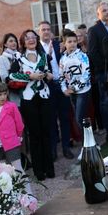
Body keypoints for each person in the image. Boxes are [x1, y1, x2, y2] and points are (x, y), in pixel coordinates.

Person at [9, 30, 55, 181]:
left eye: (33, 37)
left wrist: (48, 75)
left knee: (47, 132)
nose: (31, 40)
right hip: (28, 99)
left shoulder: (43, 56)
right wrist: (30, 76)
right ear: (23, 41)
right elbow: (12, 76)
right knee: (34, 135)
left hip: (44, 96)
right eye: (27, 38)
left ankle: (49, 168)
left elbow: (48, 71)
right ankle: (39, 171)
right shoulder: (19, 58)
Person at [38, 21, 73, 160]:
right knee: (51, 119)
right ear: (39, 32)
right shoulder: (37, 48)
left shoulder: (59, 44)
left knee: (65, 117)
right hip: (47, 86)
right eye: (43, 29)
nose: (46, 31)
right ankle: (53, 150)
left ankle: (66, 147)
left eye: (48, 29)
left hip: (61, 84)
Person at [87, 2, 108, 143]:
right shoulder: (94, 30)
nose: (107, 12)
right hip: (103, 72)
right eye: (104, 10)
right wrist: (104, 67)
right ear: (98, 14)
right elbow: (92, 52)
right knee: (105, 103)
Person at [0, 81, 27, 176]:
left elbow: (19, 124)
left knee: (17, 169)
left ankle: (27, 191)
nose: (3, 97)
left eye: (5, 94)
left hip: (12, 142)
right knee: (2, 171)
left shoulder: (11, 106)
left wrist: (18, 136)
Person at [59, 30, 91, 131]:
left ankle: (89, 143)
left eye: (74, 41)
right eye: (69, 42)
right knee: (81, 119)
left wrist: (74, 88)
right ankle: (88, 143)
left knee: (79, 118)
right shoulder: (63, 59)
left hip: (83, 91)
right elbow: (61, 75)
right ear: (64, 44)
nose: (72, 44)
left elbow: (86, 74)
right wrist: (64, 89)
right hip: (71, 93)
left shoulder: (82, 56)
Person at [0, 33, 21, 104]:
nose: (14, 43)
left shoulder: (20, 56)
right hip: (10, 89)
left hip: (23, 88)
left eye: (15, 41)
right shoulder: (1, 58)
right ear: (5, 44)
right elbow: (3, 76)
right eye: (11, 41)